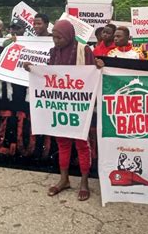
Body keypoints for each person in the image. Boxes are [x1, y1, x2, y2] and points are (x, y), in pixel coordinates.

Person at [24, 20, 103, 201]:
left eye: (59, 37)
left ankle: (84, 182)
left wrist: (99, 66)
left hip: (79, 108)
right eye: (54, 37)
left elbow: (94, 75)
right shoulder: (53, 52)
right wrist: (32, 69)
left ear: (68, 36)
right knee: (63, 143)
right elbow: (49, 75)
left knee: (82, 144)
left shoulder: (84, 51)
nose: (56, 41)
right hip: (61, 106)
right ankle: (64, 179)